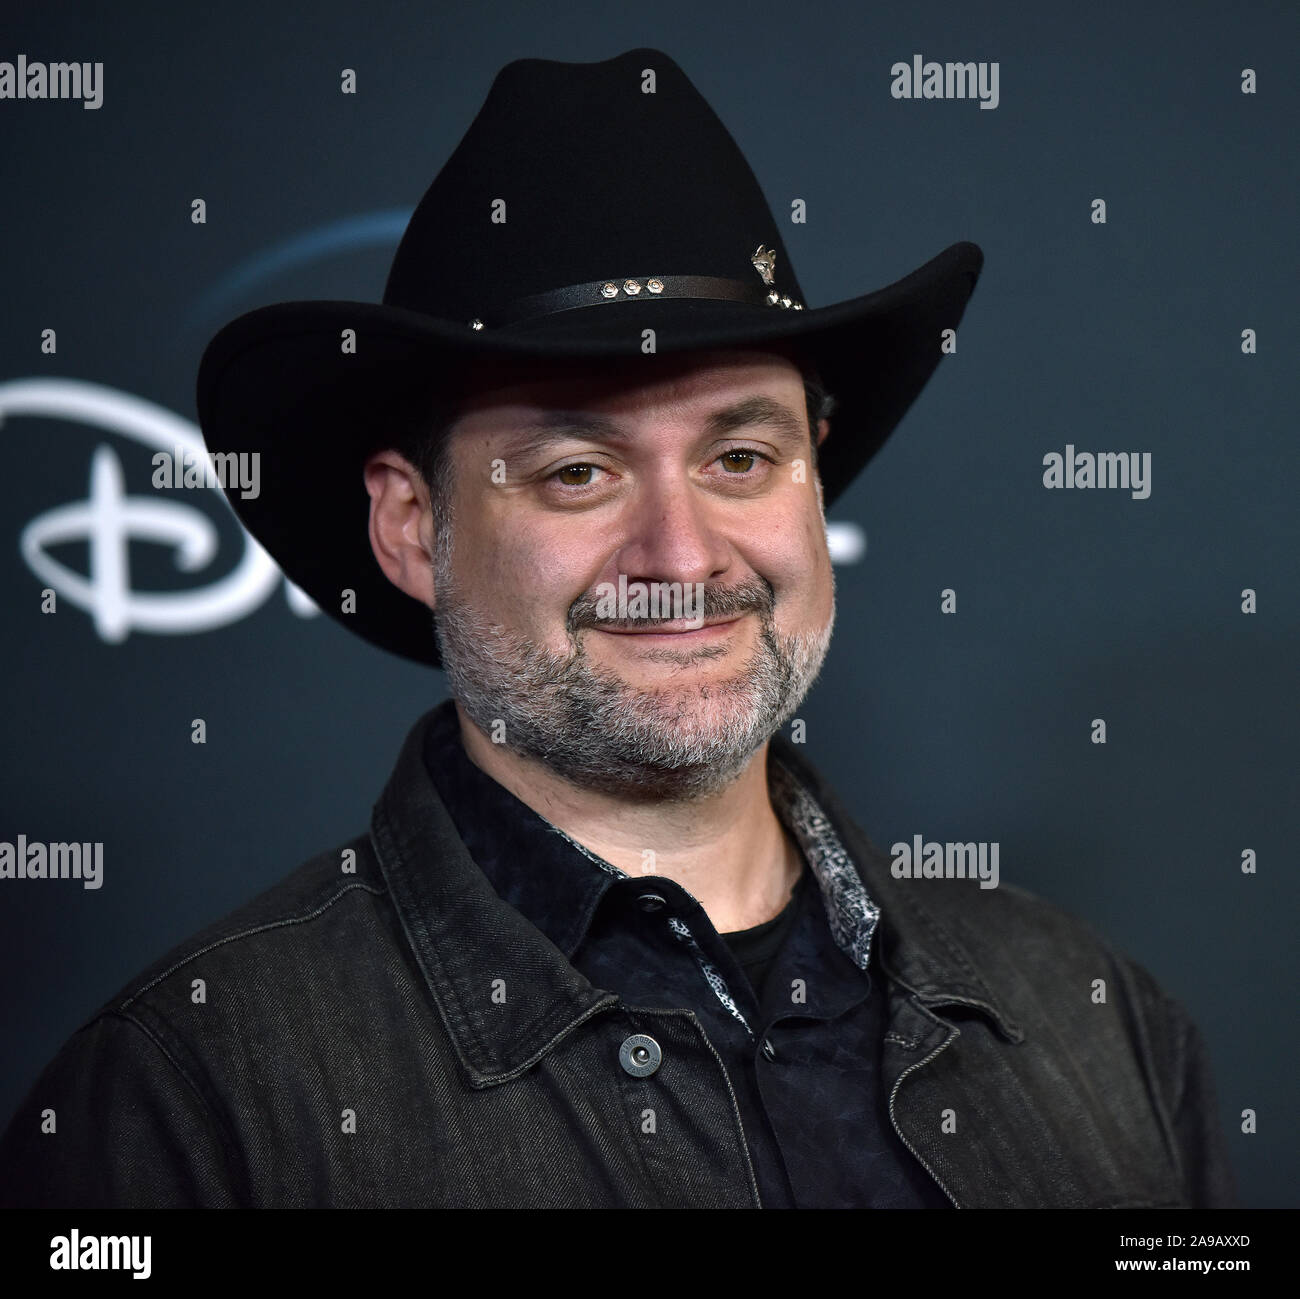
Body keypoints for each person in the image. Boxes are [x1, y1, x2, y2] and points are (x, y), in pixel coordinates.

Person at [0, 48, 1235, 1209]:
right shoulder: (194, 1100)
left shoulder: (1094, 1021)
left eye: (741, 456)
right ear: (411, 528)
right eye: (577, 473)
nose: (681, 555)